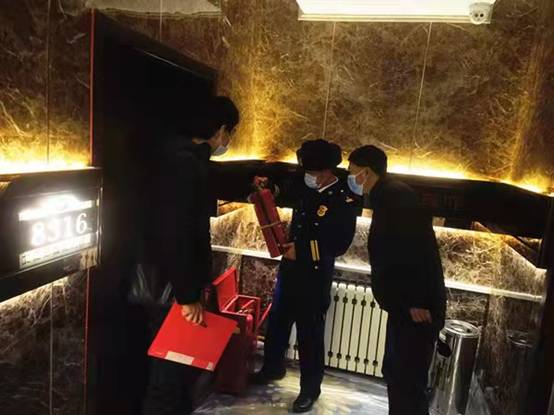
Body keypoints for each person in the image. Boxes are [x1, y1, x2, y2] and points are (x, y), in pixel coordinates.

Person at [141, 96, 240, 415]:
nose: (228, 140)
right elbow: (177, 232)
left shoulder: (178, 156)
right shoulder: (184, 164)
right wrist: (187, 295)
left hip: (167, 280)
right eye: (230, 131)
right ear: (221, 130)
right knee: (168, 377)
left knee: (174, 375)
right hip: (171, 287)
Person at [252, 139, 360, 413]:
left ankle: (310, 390)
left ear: (326, 171)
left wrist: (301, 252)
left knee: (309, 334)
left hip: (314, 275)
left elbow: (338, 244)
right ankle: (272, 368)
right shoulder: (304, 183)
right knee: (278, 322)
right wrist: (269, 187)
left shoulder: (344, 198)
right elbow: (284, 191)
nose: (308, 176)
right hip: (289, 271)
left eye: (313, 172)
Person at [347, 145, 446, 415]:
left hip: (416, 309)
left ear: (367, 173)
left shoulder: (396, 197)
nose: (350, 178)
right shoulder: (387, 195)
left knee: (407, 379)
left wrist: (417, 301)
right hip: (405, 306)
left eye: (352, 172)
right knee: (397, 373)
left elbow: (415, 252)